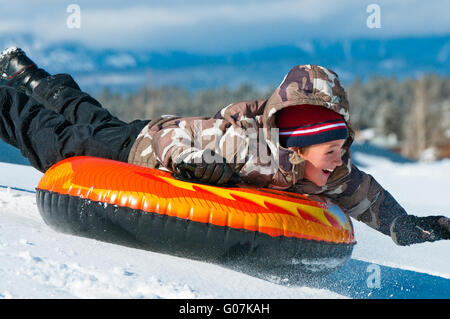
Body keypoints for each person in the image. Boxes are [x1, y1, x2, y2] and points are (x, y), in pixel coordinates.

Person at [0, 47, 449, 246]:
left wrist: (402, 225)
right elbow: (168, 137)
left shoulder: (331, 169)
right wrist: (192, 161)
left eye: (341, 147)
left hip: (137, 133)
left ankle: (28, 75)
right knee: (51, 139)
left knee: (87, 114)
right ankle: (9, 99)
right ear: (295, 146)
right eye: (329, 151)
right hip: (137, 149)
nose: (339, 161)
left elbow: (365, 194)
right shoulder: (245, 144)